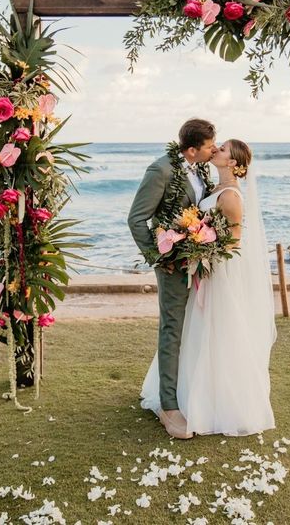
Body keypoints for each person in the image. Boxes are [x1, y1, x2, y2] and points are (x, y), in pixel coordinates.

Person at [141, 139, 277, 437]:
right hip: (204, 270)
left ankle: (217, 402)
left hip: (217, 274)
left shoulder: (230, 196)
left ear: (233, 163)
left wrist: (200, 248)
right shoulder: (212, 186)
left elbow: (234, 241)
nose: (216, 149)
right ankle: (185, 396)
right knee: (196, 332)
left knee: (216, 334)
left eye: (224, 149)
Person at [128, 118, 217, 439]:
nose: (214, 149)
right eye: (209, 146)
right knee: (172, 328)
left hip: (197, 262)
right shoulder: (160, 170)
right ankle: (168, 406)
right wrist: (158, 256)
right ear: (192, 149)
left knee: (195, 327)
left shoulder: (201, 168)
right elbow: (136, 218)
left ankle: (193, 393)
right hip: (172, 264)